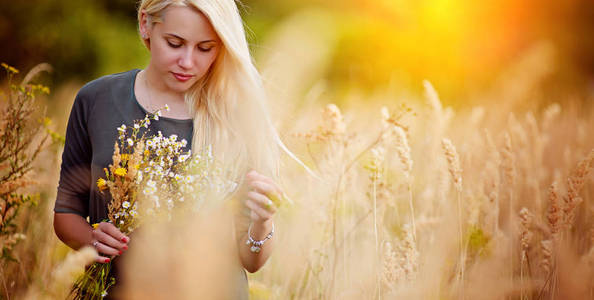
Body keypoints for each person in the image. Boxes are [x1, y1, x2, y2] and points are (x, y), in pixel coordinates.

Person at [53, 0, 284, 298]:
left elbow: (252, 261)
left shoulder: (236, 118)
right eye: (175, 43)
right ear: (145, 24)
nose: (188, 62)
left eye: (205, 48)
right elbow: (66, 214)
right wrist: (92, 239)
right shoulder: (96, 100)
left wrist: (262, 221)